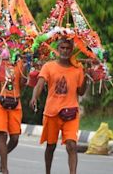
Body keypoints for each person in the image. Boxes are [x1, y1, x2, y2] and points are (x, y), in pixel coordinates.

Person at [29, 38, 87, 174]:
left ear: (71, 50)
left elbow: (81, 91)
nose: (65, 51)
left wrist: (87, 78)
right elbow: (40, 84)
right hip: (52, 112)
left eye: (68, 48)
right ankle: (47, 171)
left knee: (72, 145)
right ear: (57, 49)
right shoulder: (48, 66)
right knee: (51, 146)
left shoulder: (78, 69)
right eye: (62, 48)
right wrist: (34, 97)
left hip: (71, 113)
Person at [0, 60, 25, 173]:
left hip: (15, 103)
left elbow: (21, 85)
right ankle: (5, 168)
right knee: (3, 135)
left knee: (15, 139)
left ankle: (3, 159)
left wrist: (26, 71)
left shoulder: (20, 63)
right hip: (0, 103)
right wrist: (0, 98)